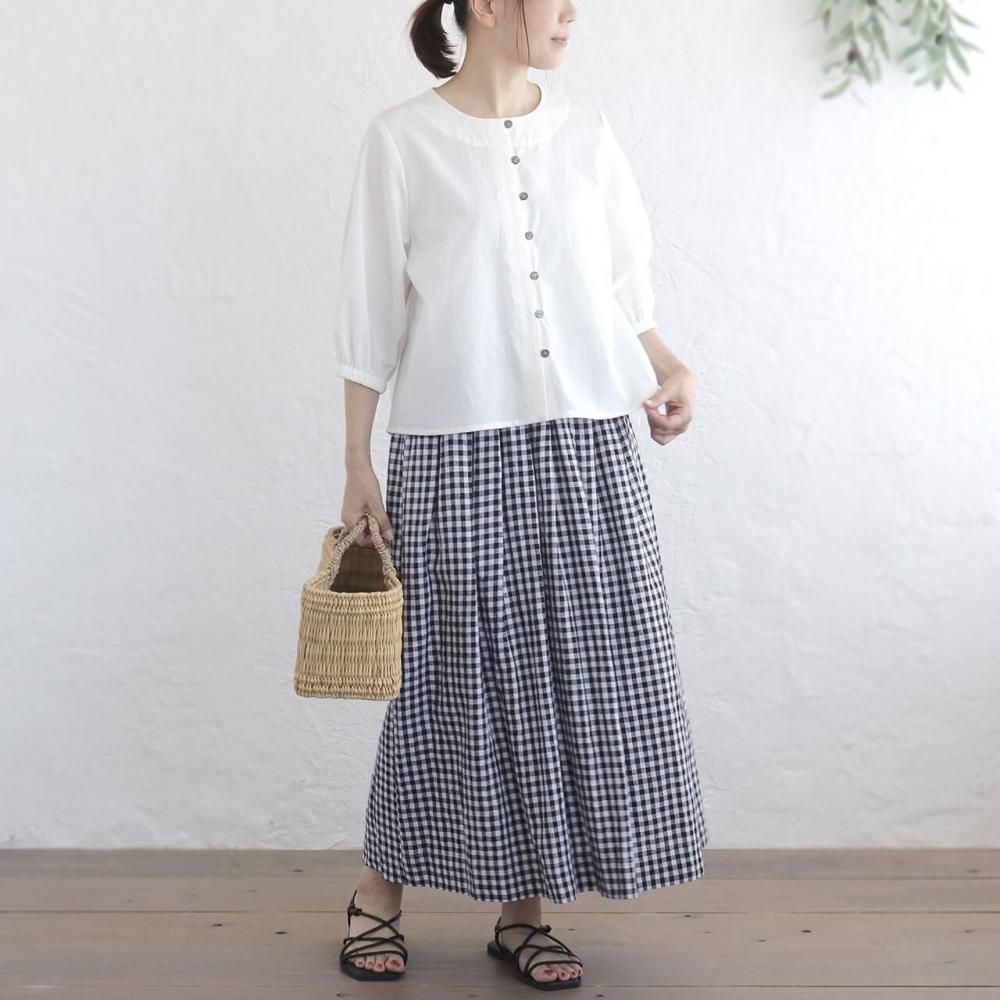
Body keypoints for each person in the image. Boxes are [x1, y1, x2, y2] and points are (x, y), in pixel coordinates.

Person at [334, 0, 708, 988]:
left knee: (580, 669)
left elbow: (622, 291)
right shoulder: (402, 140)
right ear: (489, 6)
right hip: (453, 447)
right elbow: (370, 314)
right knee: (447, 674)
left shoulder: (588, 133)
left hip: (587, 441)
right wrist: (357, 460)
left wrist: (668, 366)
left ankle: (524, 912)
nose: (573, 11)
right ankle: (377, 893)